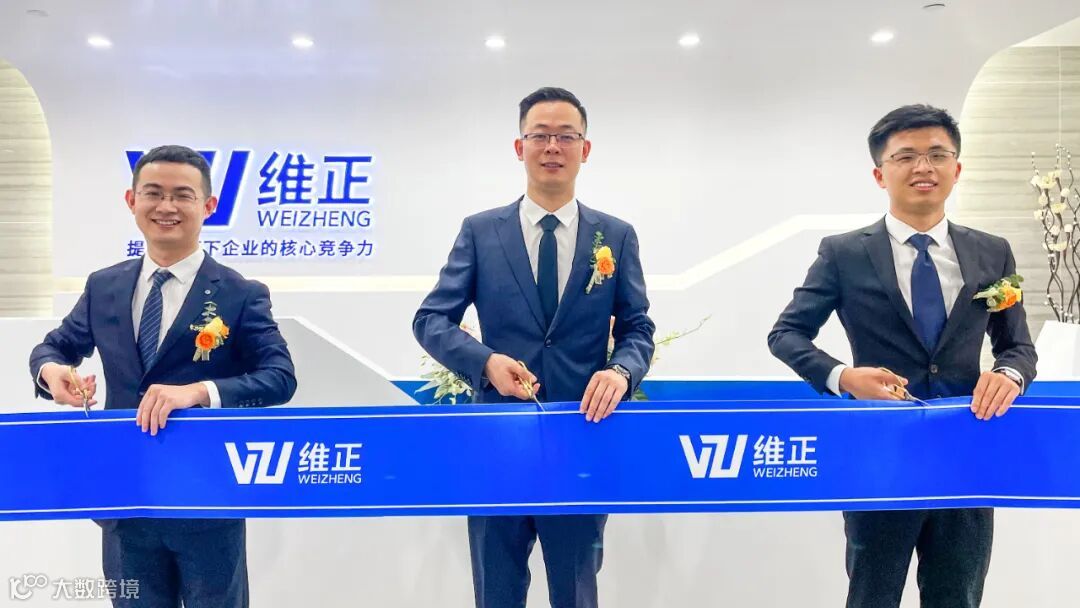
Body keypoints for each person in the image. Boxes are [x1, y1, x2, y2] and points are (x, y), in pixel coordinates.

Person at [768, 104, 1037, 608]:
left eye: (937, 154)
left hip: (966, 449)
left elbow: (1018, 346)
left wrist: (1009, 374)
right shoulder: (844, 253)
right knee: (873, 595)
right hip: (879, 453)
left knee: (958, 595)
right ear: (880, 174)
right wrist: (843, 377)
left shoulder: (992, 252)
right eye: (906, 156)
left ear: (957, 168)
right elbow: (786, 334)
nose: (923, 167)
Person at [413, 86, 655, 608]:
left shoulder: (616, 235)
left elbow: (638, 328)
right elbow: (430, 320)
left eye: (566, 136)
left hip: (581, 436)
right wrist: (486, 363)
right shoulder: (481, 232)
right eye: (540, 135)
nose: (552, 147)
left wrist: (620, 373)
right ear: (519, 147)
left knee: (576, 591)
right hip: (497, 439)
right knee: (496, 591)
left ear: (585, 149)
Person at [30, 144, 297, 608]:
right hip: (124, 498)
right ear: (131, 201)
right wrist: (52, 372)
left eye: (182, 195)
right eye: (153, 193)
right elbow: (54, 348)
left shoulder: (240, 293)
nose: (166, 206)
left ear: (208, 206)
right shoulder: (104, 285)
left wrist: (199, 391)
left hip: (206, 499)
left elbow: (279, 377)